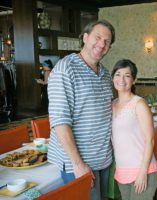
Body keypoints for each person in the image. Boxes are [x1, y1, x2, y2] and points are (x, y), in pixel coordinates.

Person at [47, 20, 115, 200]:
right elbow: (59, 121)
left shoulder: (105, 73)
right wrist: (77, 164)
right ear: (85, 37)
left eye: (107, 41)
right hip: (77, 163)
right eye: (98, 37)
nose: (102, 44)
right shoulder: (65, 69)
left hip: (103, 158)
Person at [111, 59, 157, 200]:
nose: (121, 79)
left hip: (143, 170)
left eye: (127, 75)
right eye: (118, 74)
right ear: (113, 77)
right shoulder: (112, 104)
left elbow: (150, 140)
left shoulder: (139, 103)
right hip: (122, 170)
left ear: (134, 80)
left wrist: (142, 173)